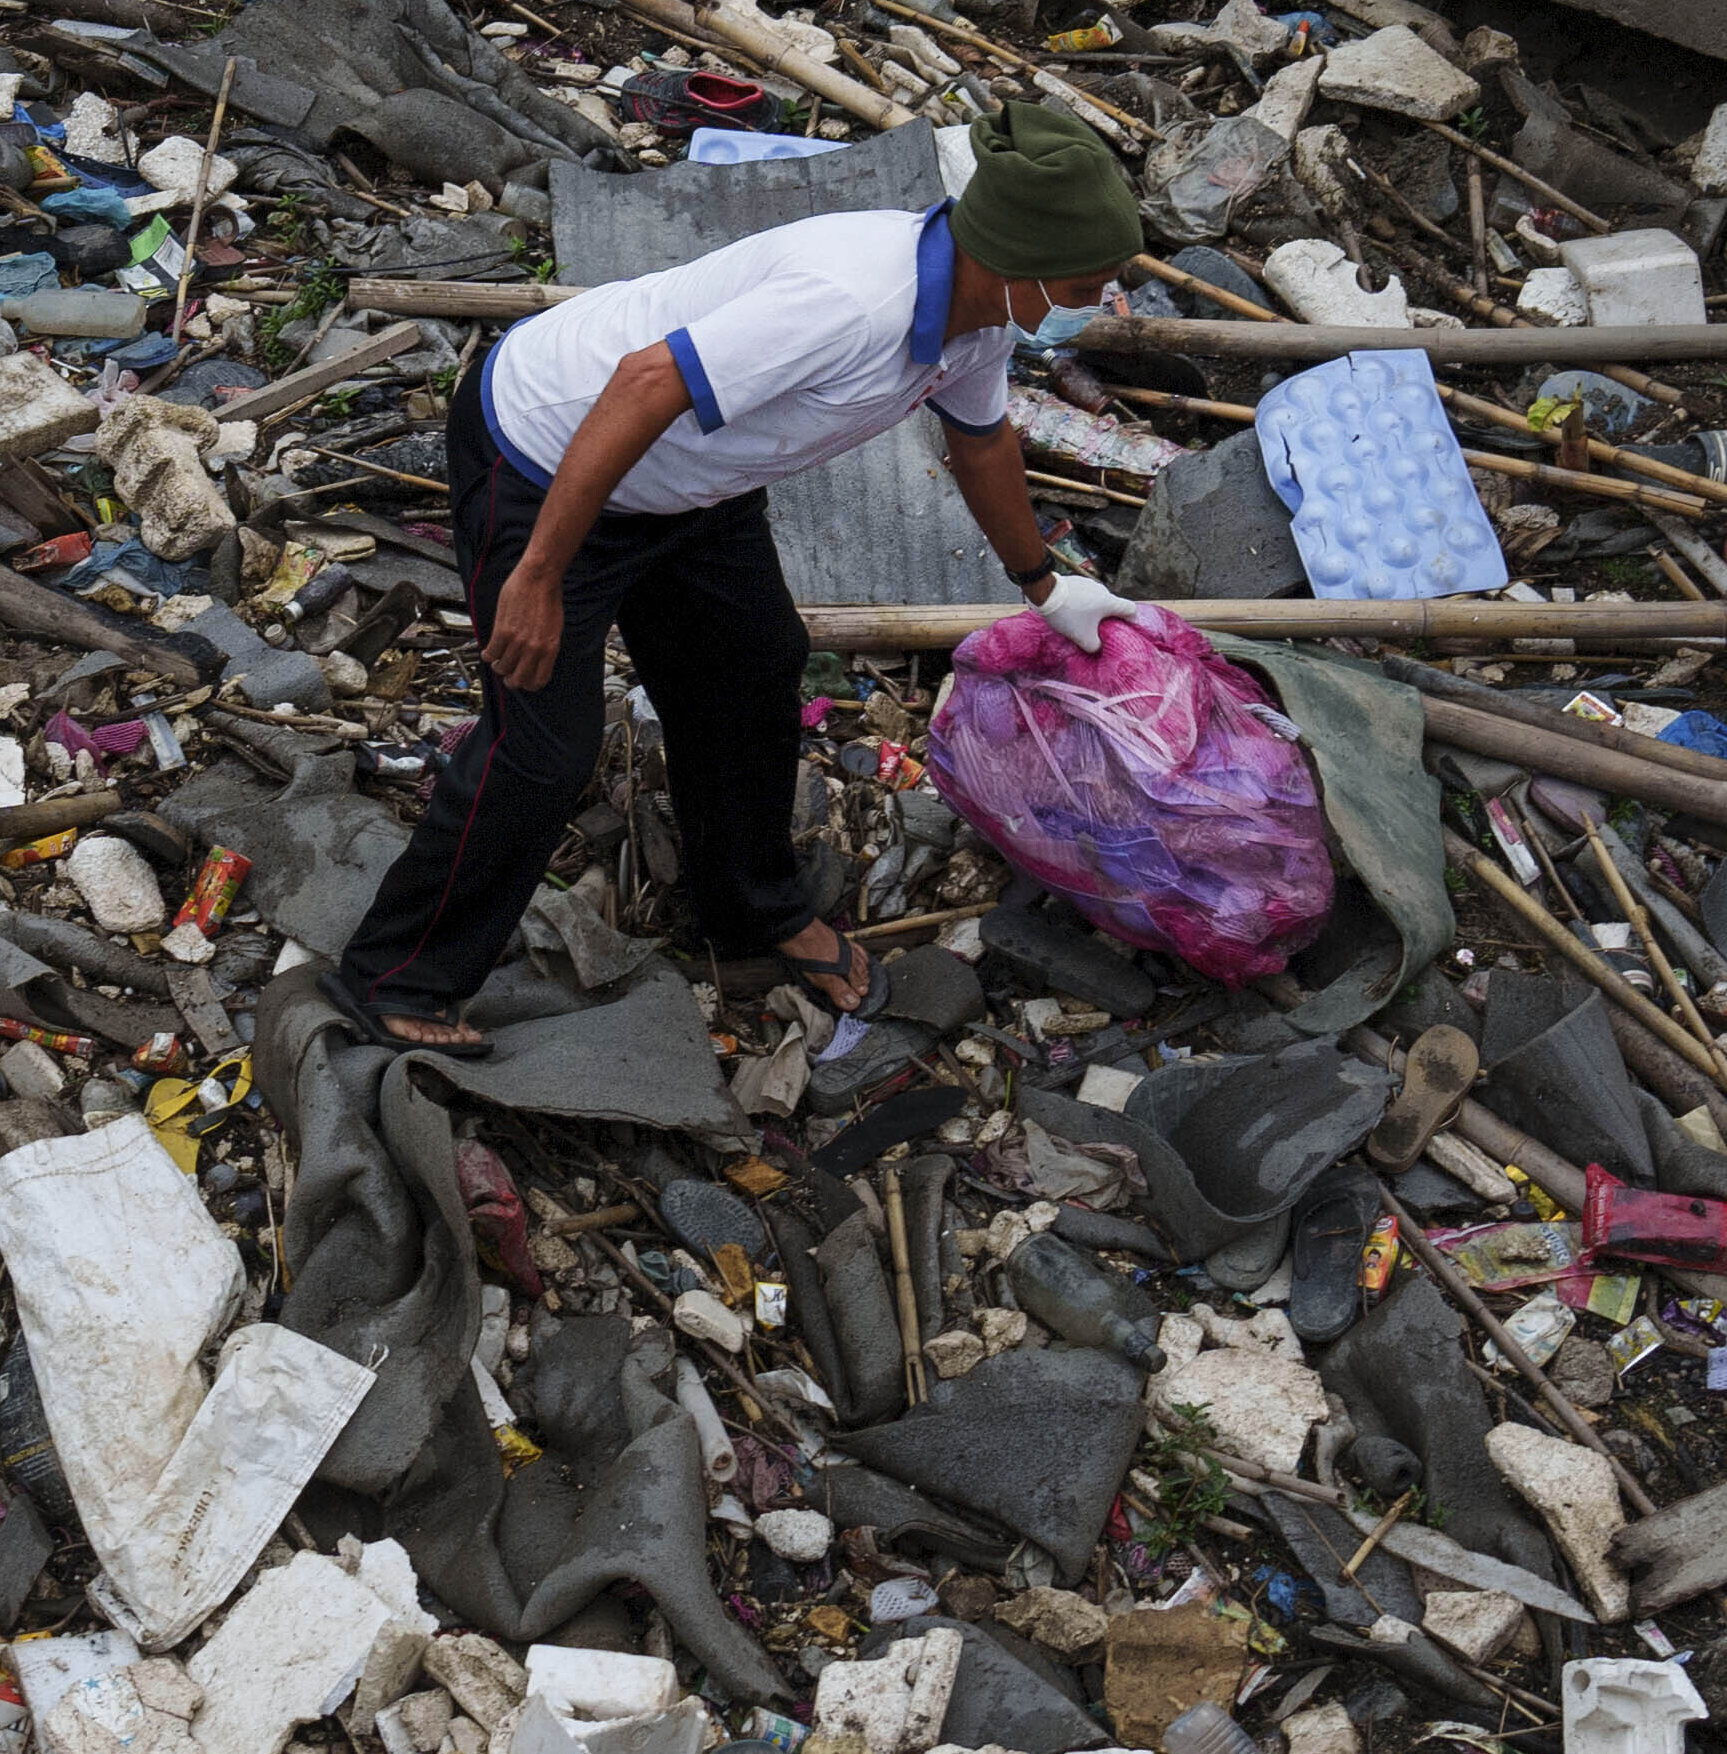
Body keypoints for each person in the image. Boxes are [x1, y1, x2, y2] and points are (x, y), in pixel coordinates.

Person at [344, 94, 1146, 1049]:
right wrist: (537, 577)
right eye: (1090, 282)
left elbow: (979, 441)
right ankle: (399, 978)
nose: (1102, 303)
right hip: (551, 460)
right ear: (1019, 263)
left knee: (755, 668)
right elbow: (643, 383)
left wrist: (1045, 584)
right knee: (543, 744)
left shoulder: (979, 318)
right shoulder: (852, 301)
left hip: (692, 488)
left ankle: (751, 911)